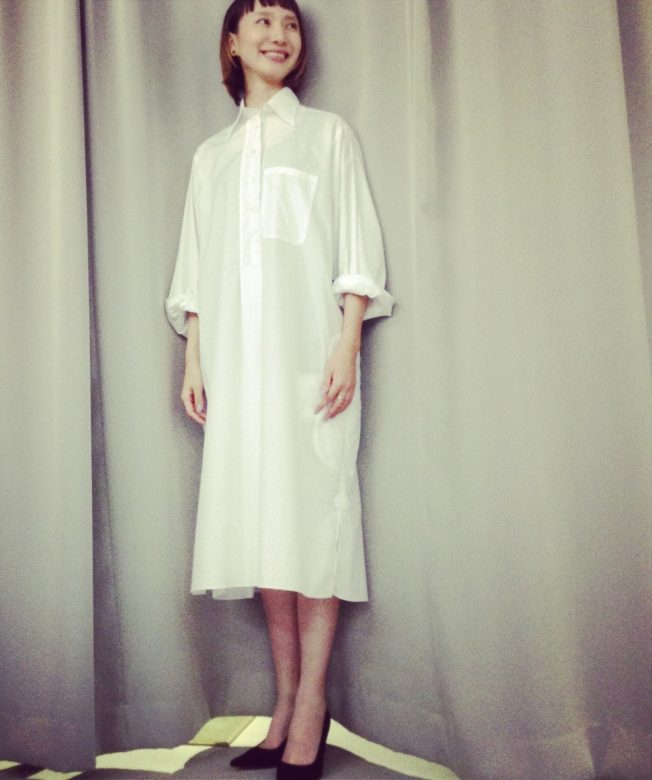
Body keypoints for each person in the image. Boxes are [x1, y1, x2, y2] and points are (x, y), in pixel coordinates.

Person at [166, 1, 393, 777]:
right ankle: (284, 701)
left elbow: (356, 248)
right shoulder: (212, 156)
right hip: (236, 370)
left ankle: (313, 707)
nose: (277, 34)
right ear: (232, 43)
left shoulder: (328, 136)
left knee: (315, 529)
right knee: (265, 528)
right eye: (261, 21)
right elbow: (196, 271)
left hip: (310, 365)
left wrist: (347, 343)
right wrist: (194, 361)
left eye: (290, 23)